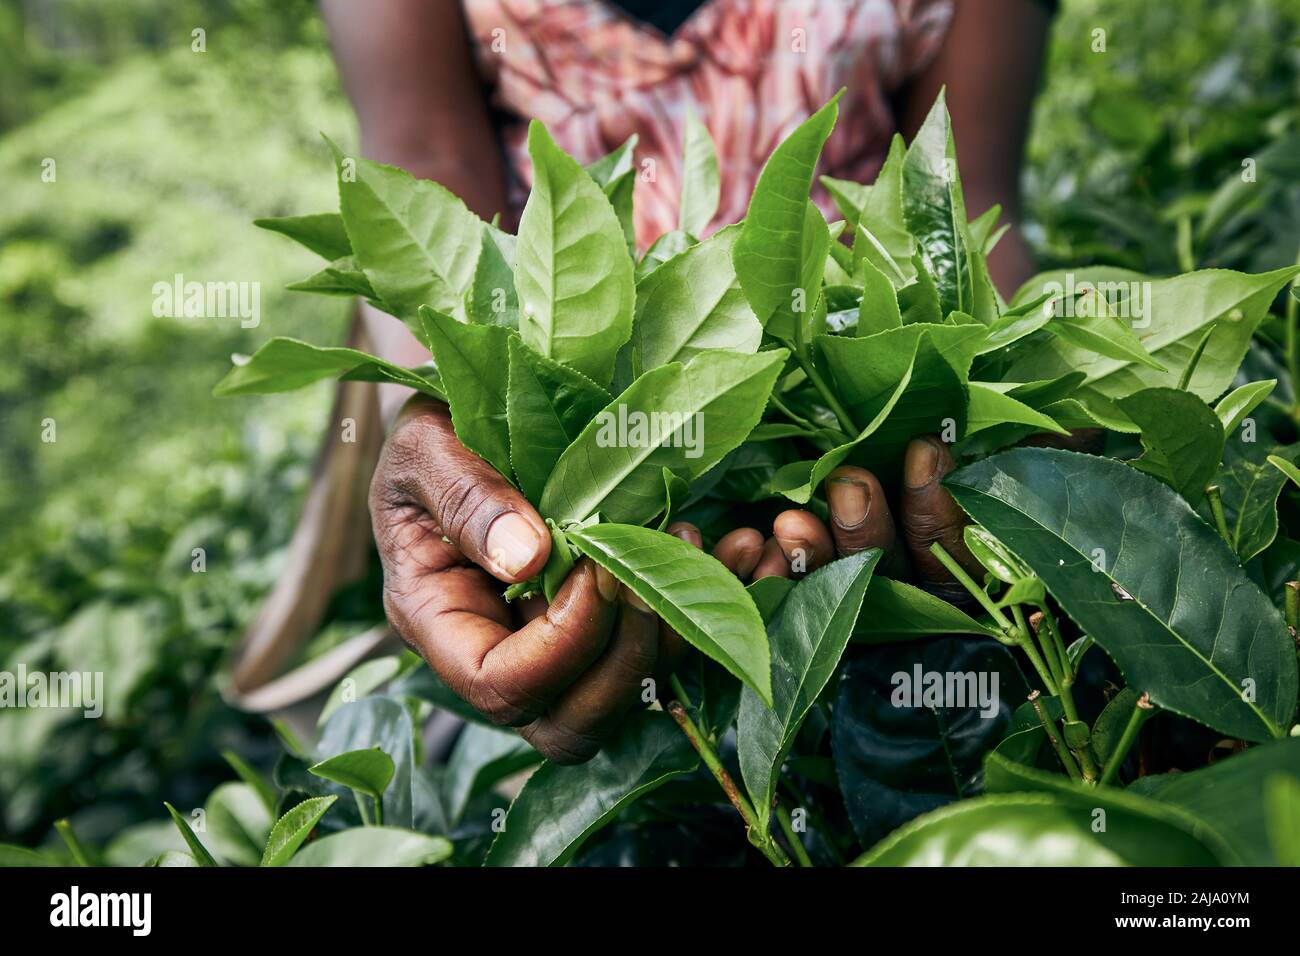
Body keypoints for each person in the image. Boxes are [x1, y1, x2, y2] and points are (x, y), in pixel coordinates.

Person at [316, 0, 1052, 762]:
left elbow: (959, 202)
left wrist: (987, 429)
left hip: (835, 416)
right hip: (599, 433)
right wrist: (455, 440)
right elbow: (432, 184)